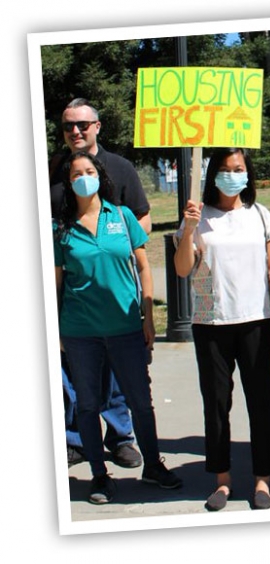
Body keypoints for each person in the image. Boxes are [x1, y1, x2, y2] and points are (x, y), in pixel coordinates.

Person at [53, 151, 182, 505]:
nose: (83, 177)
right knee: (88, 404)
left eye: (89, 170)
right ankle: (99, 474)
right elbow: (57, 284)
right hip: (80, 333)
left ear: (99, 175)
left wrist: (147, 314)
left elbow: (143, 267)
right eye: (76, 173)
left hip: (126, 328)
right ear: (68, 182)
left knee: (140, 401)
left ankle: (153, 465)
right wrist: (57, 332)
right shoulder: (60, 229)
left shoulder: (122, 217)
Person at [174, 148, 270, 511]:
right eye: (224, 169)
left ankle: (263, 479)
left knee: (261, 402)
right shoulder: (198, 216)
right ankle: (222, 479)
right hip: (212, 322)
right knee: (217, 404)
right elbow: (181, 269)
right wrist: (189, 228)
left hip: (255, 319)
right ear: (212, 175)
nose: (232, 175)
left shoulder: (260, 215)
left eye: (238, 169)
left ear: (247, 174)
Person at [49, 98, 151, 469]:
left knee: (120, 377)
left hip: (116, 300)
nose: (75, 131)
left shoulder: (120, 168)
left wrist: (120, 249)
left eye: (83, 125)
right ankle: (77, 439)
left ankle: (121, 438)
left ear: (97, 127)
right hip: (74, 298)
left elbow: (142, 218)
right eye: (68, 126)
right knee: (76, 375)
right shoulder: (52, 170)